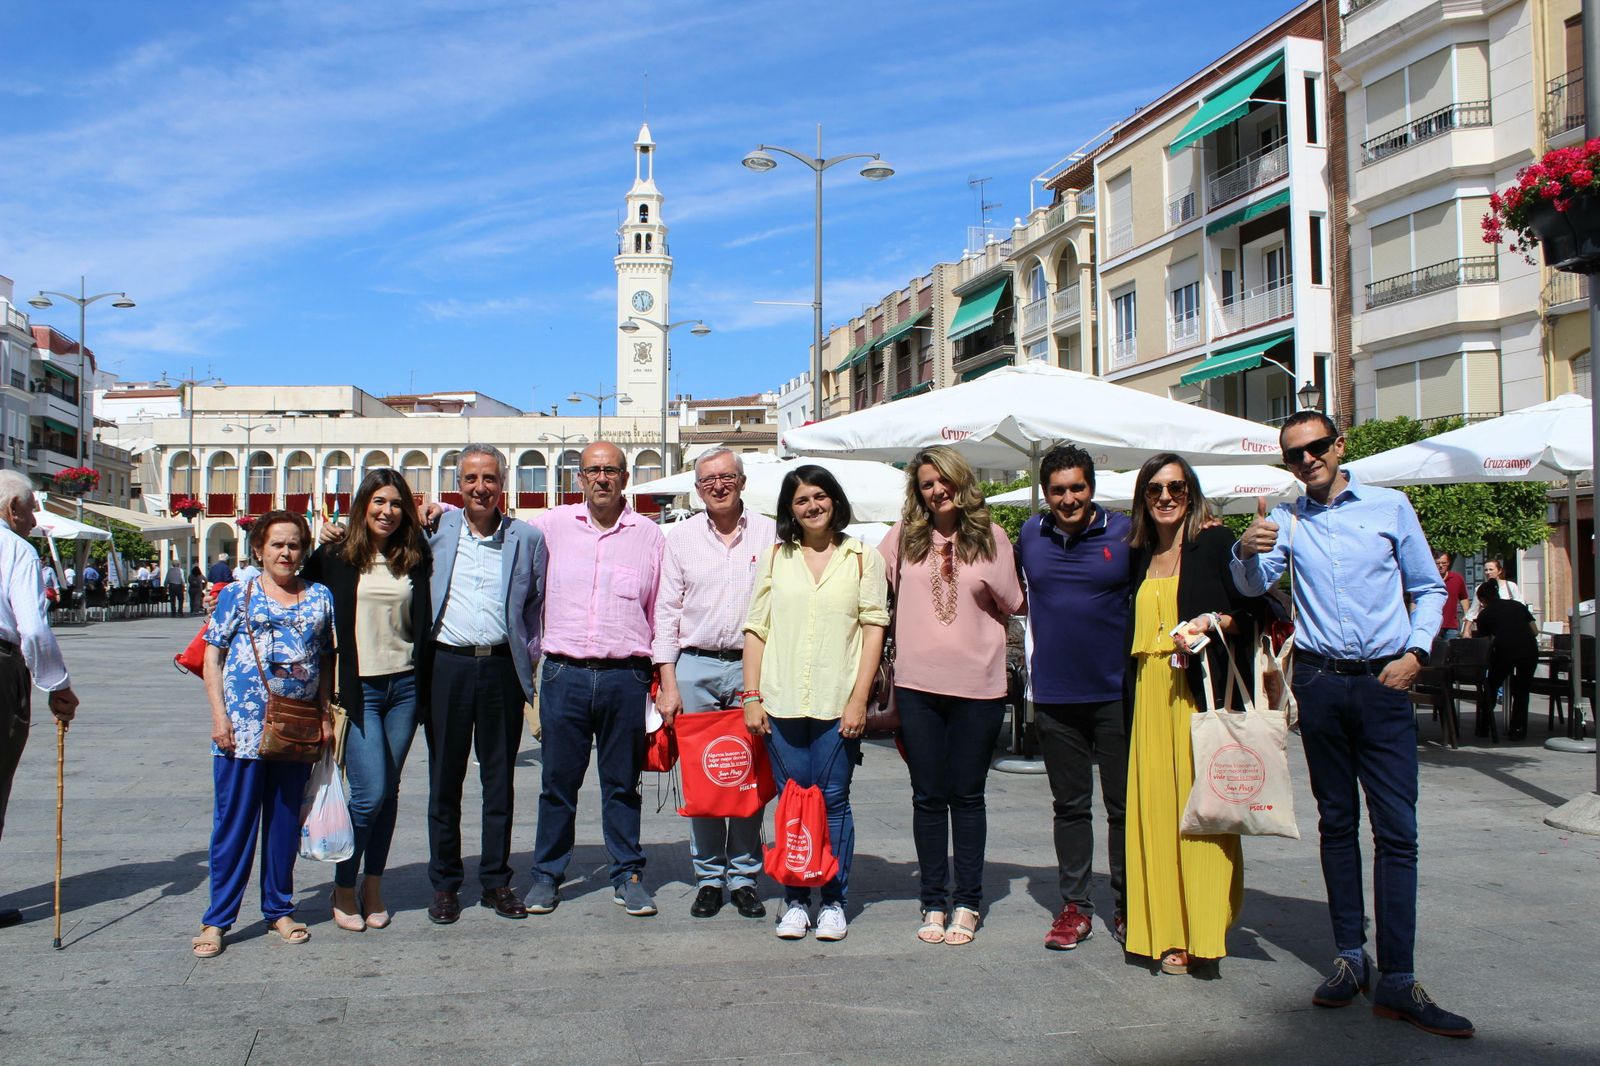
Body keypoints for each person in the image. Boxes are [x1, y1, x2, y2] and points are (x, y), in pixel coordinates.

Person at [1233, 411, 1471, 1038]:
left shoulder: (1389, 508)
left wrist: (1416, 653)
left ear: (1338, 446)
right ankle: (1348, 958)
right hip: (1320, 679)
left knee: (1397, 830)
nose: (1306, 460)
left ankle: (1397, 977)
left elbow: (1427, 589)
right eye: (1293, 455)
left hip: (1384, 682)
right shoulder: (1284, 518)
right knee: (1336, 823)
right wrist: (1243, 550)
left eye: (1314, 447)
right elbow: (1257, 584)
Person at [878, 446, 1022, 946]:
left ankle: (969, 901)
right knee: (926, 796)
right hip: (917, 686)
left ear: (962, 480)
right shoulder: (902, 538)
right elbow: (872, 590)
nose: (937, 490)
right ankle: (933, 899)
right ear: (917, 492)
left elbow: (1013, 601)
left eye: (944, 480)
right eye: (926, 484)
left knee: (968, 795)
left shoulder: (993, 537)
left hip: (978, 687)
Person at [1123, 453, 1258, 977]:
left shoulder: (1214, 543)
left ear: (1191, 492)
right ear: (1142, 497)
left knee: (1204, 817)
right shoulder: (1137, 553)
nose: (1165, 498)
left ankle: (1202, 933)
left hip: (1199, 700)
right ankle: (1161, 930)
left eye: (1176, 488)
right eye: (1154, 489)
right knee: (1155, 815)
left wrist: (1213, 619)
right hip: (1149, 699)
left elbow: (1254, 610)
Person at [743, 465, 888, 942]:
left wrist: (858, 700)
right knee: (790, 802)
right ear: (790, 509)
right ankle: (794, 898)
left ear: (835, 501)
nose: (812, 506)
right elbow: (756, 629)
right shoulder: (775, 558)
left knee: (834, 802)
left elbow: (874, 630)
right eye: (802, 499)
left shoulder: (863, 557)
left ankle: (834, 901)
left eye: (820, 497)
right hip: (782, 700)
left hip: (836, 702)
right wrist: (752, 696)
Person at [528, 441, 662, 917]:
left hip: (626, 676)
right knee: (557, 782)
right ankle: (546, 876)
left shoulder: (650, 536)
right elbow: (496, 535)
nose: (602, 478)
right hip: (564, 673)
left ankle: (627, 874)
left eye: (611, 470)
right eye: (592, 470)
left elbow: (662, 612)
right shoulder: (549, 527)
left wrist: (662, 679)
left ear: (626, 478)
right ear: (579, 478)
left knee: (622, 783)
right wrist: (440, 511)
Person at [193, 510, 334, 959]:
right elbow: (212, 657)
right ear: (259, 549)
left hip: (296, 727)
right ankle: (217, 919)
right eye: (277, 545)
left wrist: (325, 712)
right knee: (234, 827)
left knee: (282, 824)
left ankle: (278, 908)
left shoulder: (319, 596)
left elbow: (326, 657)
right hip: (244, 731)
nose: (286, 553)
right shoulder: (238, 594)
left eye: (294, 545)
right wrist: (220, 718)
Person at [1013, 443, 1135, 952]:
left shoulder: (1126, 531)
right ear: (1046, 492)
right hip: (1056, 694)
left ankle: (1130, 905)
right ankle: (1076, 908)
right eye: (1059, 490)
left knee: (1124, 807)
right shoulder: (1030, 535)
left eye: (1077, 488)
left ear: (1092, 487)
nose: (1068, 499)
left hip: (1116, 693)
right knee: (1070, 806)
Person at [300, 469, 432, 931]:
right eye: (378, 502)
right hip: (359, 691)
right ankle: (342, 883)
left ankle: (372, 884)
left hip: (406, 688)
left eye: (395, 503)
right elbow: (293, 593)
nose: (387, 511)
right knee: (370, 792)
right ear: (362, 505)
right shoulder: (335, 555)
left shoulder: (413, 554)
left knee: (389, 792)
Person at [422, 445, 544, 924]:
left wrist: (527, 661)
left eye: (489, 478)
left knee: (499, 782)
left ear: (503, 483)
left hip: (499, 669)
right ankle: (445, 884)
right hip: (446, 666)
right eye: (470, 478)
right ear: (458, 483)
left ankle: (496, 880)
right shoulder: (436, 528)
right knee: (444, 781)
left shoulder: (527, 538)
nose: (480, 487)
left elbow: (535, 604)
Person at [652, 448, 776, 921]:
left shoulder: (771, 534)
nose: (718, 486)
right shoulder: (680, 538)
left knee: (744, 773)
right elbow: (666, 612)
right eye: (708, 481)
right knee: (703, 778)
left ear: (742, 482)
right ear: (697, 489)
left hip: (752, 667)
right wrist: (668, 680)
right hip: (695, 666)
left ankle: (744, 877)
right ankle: (707, 877)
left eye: (727, 477)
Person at [0, 471, 80, 930]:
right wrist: (56, 684)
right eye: (30, 509)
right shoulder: (15, 549)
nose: (33, 519)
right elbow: (31, 627)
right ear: (12, 508)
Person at [1470, 581, 1537, 741]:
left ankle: (1484, 726)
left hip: (1504, 651)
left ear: (1481, 599)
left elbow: (1484, 642)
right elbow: (1534, 630)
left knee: (1492, 686)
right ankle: (1518, 729)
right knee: (1522, 690)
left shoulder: (1484, 615)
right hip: (1529, 650)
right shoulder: (1518, 606)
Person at [1463, 557, 1523, 635]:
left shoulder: (1511, 586)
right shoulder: (1480, 588)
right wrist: (1466, 631)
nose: (1488, 572)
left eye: (1491, 569)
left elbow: (1520, 606)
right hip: (1490, 628)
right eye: (1486, 570)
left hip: (1509, 626)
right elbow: (1473, 610)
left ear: (1499, 571)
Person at [1434, 552, 1468, 642]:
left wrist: (1467, 617)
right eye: (1438, 563)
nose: (1441, 566)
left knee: (1451, 653)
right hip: (1433, 625)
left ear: (1448, 563)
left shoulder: (1457, 578)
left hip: (1451, 626)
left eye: (1444, 563)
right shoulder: (1430, 580)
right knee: (1435, 654)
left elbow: (1464, 597)